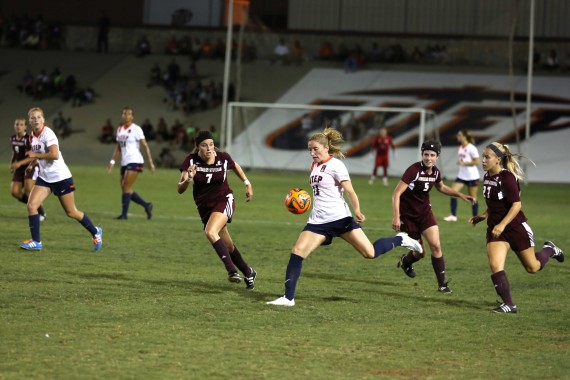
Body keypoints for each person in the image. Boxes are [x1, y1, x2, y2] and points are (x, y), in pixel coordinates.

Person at [267, 128, 423, 307]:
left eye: (315, 149)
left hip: (341, 219)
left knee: (369, 253)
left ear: (326, 148)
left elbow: (349, 190)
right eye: (309, 149)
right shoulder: (314, 165)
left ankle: (400, 239)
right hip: (318, 221)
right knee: (297, 252)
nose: (312, 153)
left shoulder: (336, 165)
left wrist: (357, 210)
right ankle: (288, 298)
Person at [469, 142, 564, 313]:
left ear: (498, 159)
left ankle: (549, 249)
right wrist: (484, 215)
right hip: (496, 229)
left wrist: (502, 224)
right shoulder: (488, 177)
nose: (483, 160)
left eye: (487, 157)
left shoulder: (507, 178)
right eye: (483, 156)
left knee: (532, 267)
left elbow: (516, 205)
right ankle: (509, 304)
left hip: (515, 227)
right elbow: (495, 203)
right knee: (495, 265)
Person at [177, 131, 257, 289]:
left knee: (210, 232)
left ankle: (232, 271)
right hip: (204, 207)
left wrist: (247, 183)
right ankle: (248, 271)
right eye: (204, 145)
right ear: (198, 147)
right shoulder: (191, 161)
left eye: (211, 144)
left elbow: (236, 167)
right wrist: (190, 178)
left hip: (224, 199)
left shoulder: (223, 158)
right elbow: (180, 189)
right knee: (227, 245)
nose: (209, 148)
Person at [393, 140, 475, 293]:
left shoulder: (436, 172)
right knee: (420, 253)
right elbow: (396, 193)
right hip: (408, 217)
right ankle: (406, 261)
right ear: (422, 154)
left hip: (425, 214)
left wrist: (460, 194)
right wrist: (396, 217)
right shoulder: (413, 170)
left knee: (436, 245)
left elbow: (441, 187)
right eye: (425, 154)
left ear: (437, 156)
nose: (428, 158)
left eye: (432, 155)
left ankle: (442, 284)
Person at [19, 107, 102, 251]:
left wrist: (35, 157)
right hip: (45, 178)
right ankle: (36, 242)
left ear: (43, 119)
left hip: (61, 177)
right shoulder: (32, 136)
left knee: (71, 212)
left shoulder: (48, 133)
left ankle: (95, 231)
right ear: (30, 121)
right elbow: (38, 153)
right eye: (33, 118)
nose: (36, 120)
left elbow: (54, 155)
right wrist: (32, 165)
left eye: (39, 117)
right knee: (31, 205)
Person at [107, 107, 155, 220]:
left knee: (126, 186)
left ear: (132, 116)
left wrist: (150, 161)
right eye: (124, 113)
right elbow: (119, 147)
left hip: (135, 160)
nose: (126, 116)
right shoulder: (119, 129)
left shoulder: (136, 129)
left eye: (129, 114)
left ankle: (124, 215)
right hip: (125, 161)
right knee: (125, 188)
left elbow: (144, 145)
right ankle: (146, 205)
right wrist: (112, 161)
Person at [9, 117, 46, 220]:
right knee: (15, 192)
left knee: (28, 191)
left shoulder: (29, 139)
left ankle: (41, 213)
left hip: (31, 167)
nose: (18, 126)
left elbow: (33, 156)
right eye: (17, 124)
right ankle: (34, 206)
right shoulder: (13, 138)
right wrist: (12, 163)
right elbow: (14, 152)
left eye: (21, 125)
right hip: (19, 168)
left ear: (25, 127)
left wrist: (19, 163)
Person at [444, 130, 480, 222]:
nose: (457, 136)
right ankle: (453, 215)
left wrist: (464, 163)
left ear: (465, 136)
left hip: (472, 176)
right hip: (462, 175)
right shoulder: (460, 147)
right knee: (453, 193)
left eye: (459, 135)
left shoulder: (472, 148)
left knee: (473, 197)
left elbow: (477, 161)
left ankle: (475, 218)